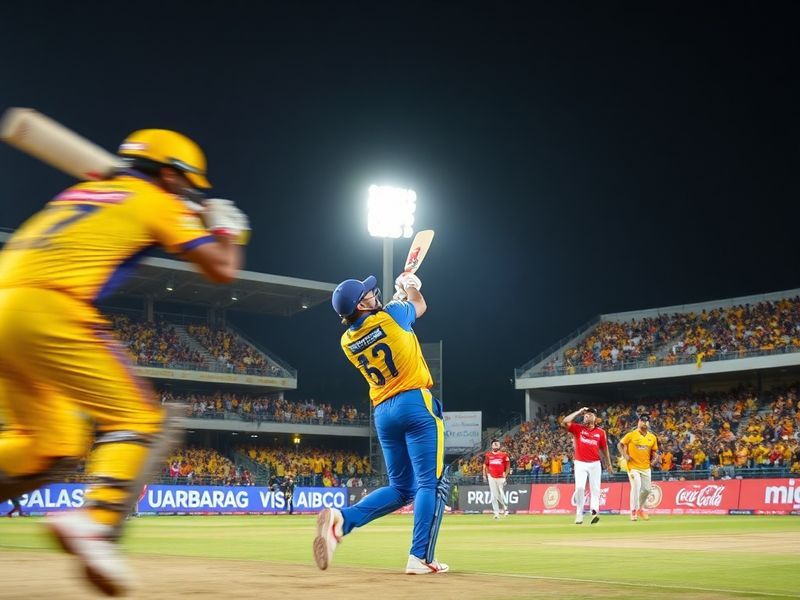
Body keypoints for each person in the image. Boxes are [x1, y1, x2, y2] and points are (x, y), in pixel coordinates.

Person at [0, 128, 249, 596]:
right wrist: (227, 228)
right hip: (49, 306)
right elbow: (222, 267)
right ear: (172, 175)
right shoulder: (156, 199)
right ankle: (94, 523)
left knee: (46, 445)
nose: (189, 192)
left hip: (2, 305)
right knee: (142, 421)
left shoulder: (82, 191)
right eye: (187, 184)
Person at [314, 272, 449, 575]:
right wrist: (411, 286)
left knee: (401, 488)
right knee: (432, 483)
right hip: (414, 402)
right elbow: (419, 305)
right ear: (362, 305)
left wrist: (396, 295)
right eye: (368, 294)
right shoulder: (390, 317)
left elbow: (382, 319)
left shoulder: (347, 340)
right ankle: (420, 557)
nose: (373, 293)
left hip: (383, 413)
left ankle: (343, 520)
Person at [561, 407, 613, 525]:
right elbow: (564, 421)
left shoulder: (601, 432)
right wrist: (579, 411)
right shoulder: (578, 429)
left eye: (589, 414)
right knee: (579, 488)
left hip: (595, 464)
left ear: (596, 418)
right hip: (580, 463)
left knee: (596, 490)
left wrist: (608, 464)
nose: (586, 416)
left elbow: (605, 449)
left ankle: (594, 512)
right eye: (585, 415)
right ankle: (579, 514)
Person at [618, 414, 659, 522]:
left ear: (648, 423)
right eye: (642, 420)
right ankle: (633, 511)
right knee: (636, 486)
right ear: (638, 422)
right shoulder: (631, 435)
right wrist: (625, 455)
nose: (643, 422)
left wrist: (655, 458)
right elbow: (620, 444)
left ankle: (640, 508)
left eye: (646, 421)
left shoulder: (652, 437)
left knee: (647, 490)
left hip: (646, 467)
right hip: (633, 467)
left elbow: (654, 452)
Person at [482, 438, 510, 519]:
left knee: (501, 492)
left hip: (501, 476)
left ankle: (505, 507)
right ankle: (496, 513)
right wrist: (486, 474)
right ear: (491, 445)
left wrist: (506, 475)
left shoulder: (504, 455)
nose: (496, 445)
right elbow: (486, 465)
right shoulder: (488, 455)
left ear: (499, 445)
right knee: (494, 496)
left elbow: (508, 466)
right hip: (491, 477)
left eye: (497, 444)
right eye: (494, 444)